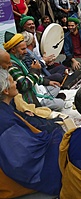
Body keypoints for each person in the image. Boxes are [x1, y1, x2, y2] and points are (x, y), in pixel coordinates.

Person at [0, 68, 64, 197]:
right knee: (61, 141)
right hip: (26, 172)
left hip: (23, 150)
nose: (16, 84)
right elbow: (22, 160)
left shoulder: (6, 108)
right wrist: (51, 139)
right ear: (6, 90)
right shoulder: (5, 122)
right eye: (13, 82)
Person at [4, 32, 64, 111]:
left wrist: (47, 82)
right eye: (23, 49)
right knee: (61, 104)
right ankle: (46, 102)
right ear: (13, 50)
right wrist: (35, 70)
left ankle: (49, 99)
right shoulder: (12, 65)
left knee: (56, 87)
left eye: (25, 48)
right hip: (30, 98)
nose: (26, 51)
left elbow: (30, 76)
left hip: (35, 89)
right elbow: (24, 85)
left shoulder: (19, 59)